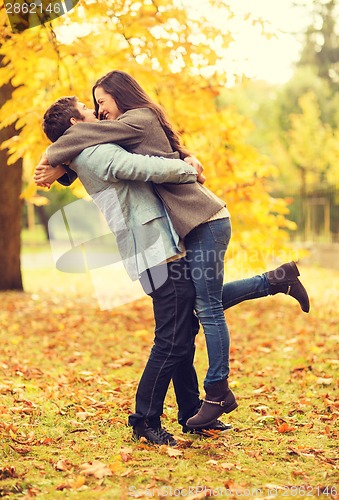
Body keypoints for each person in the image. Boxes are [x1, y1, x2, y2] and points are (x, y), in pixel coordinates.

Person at [35, 76, 310, 431]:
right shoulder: (95, 150)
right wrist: (186, 168)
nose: (97, 111)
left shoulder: (97, 142)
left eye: (100, 102)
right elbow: (139, 166)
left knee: (187, 321)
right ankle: (148, 418)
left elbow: (119, 151)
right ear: (75, 124)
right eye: (89, 107)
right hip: (154, 249)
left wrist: (54, 162)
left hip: (156, 247)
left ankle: (189, 409)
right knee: (175, 335)